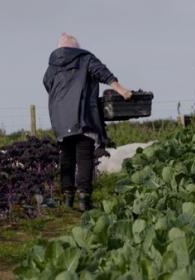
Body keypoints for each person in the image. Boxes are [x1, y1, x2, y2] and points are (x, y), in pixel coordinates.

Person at [43, 33, 132, 211]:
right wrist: (120, 89)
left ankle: (68, 199)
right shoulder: (84, 58)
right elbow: (102, 73)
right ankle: (84, 200)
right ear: (76, 47)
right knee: (84, 157)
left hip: (61, 118)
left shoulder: (52, 67)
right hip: (83, 116)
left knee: (66, 158)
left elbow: (47, 84)